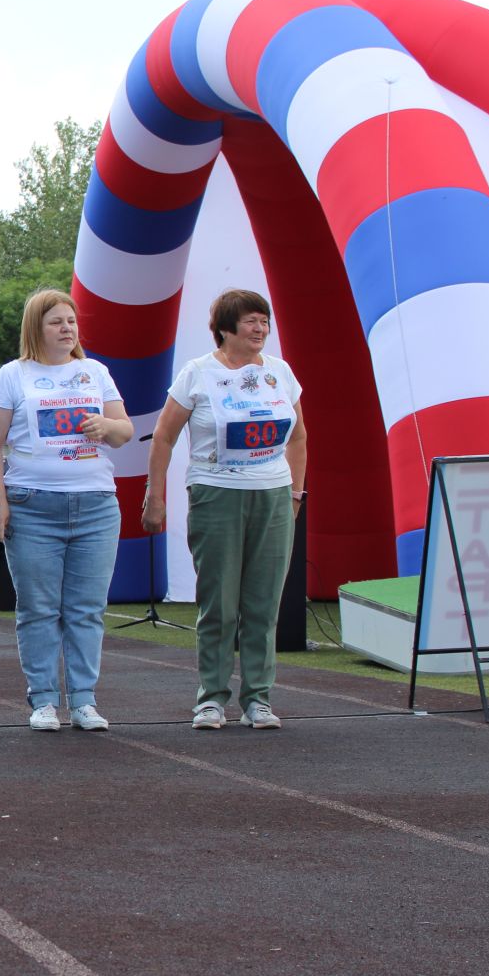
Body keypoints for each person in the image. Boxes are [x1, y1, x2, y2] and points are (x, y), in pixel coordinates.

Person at [144, 288, 307, 730]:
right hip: (216, 493)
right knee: (220, 603)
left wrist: (295, 492)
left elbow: (297, 436)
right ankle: (211, 698)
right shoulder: (198, 373)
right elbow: (163, 436)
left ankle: (258, 699)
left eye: (265, 321)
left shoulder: (281, 372)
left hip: (273, 493)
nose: (261, 329)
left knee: (263, 602)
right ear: (225, 328)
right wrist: (155, 495)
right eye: (252, 321)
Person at [0, 290, 133, 732]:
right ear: (36, 328)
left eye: (71, 321)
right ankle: (44, 699)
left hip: (96, 505)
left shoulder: (95, 372)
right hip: (32, 505)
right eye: (56, 322)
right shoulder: (12, 376)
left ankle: (84, 700)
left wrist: (108, 426)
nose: (67, 329)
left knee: (86, 608)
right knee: (38, 608)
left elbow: (125, 431)